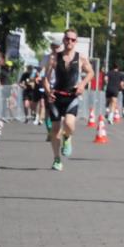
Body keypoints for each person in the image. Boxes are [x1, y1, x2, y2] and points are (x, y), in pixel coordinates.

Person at [42, 29, 94, 171]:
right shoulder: (54, 58)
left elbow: (91, 72)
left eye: (72, 39)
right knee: (55, 129)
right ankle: (57, 159)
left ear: (76, 42)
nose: (69, 41)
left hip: (71, 96)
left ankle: (67, 136)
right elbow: (45, 78)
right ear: (63, 40)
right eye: (67, 39)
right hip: (56, 96)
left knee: (69, 124)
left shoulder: (80, 58)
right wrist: (48, 92)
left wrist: (82, 84)